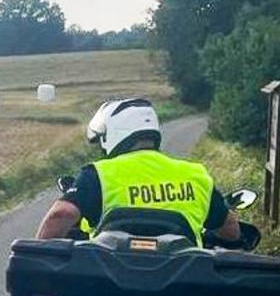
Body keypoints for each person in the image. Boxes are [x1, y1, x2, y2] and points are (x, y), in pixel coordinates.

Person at [35, 98, 241, 244]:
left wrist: (40, 256)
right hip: (182, 291)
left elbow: (61, 214)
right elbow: (230, 231)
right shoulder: (195, 174)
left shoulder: (98, 174)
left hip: (108, 287)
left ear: (112, 134)